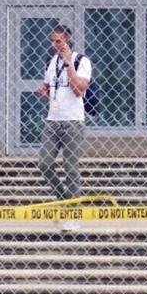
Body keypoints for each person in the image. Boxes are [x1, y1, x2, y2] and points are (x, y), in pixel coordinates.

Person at [34, 25, 92, 211]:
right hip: (53, 120)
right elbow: (50, 87)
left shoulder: (81, 61)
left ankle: (73, 212)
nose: (54, 44)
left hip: (72, 121)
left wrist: (68, 65)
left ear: (68, 40)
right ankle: (66, 198)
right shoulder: (52, 62)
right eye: (52, 40)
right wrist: (44, 91)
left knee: (71, 168)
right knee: (44, 164)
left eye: (58, 40)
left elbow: (78, 91)